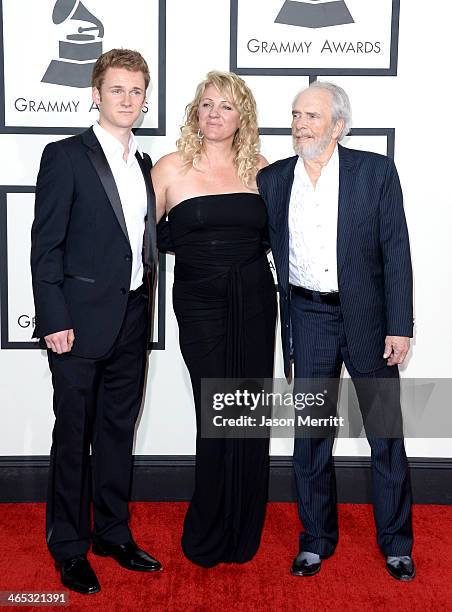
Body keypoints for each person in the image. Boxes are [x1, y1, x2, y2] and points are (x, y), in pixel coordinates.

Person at [257, 81, 415, 581]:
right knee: (310, 438)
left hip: (370, 319)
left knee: (385, 434)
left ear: (338, 126)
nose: (300, 124)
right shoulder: (275, 179)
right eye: (296, 115)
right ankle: (315, 538)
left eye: (312, 117)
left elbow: (397, 252)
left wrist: (400, 324)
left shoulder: (375, 172)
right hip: (308, 318)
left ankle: (396, 544)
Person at [30, 49, 161, 595]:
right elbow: (45, 248)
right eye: (117, 90)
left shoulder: (146, 163)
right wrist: (53, 317)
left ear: (144, 98)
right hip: (78, 325)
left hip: (133, 316)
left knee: (116, 433)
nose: (127, 100)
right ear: (95, 94)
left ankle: (112, 532)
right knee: (73, 436)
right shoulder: (66, 156)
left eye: (136, 91)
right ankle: (68, 546)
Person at [151, 71, 277, 567]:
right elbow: (141, 239)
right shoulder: (169, 168)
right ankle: (207, 527)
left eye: (225, 106)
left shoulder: (262, 170)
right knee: (216, 412)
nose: (214, 114)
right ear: (194, 112)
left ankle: (243, 526)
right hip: (199, 300)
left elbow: (283, 239)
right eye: (206, 104)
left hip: (253, 298)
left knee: (247, 414)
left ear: (241, 115)